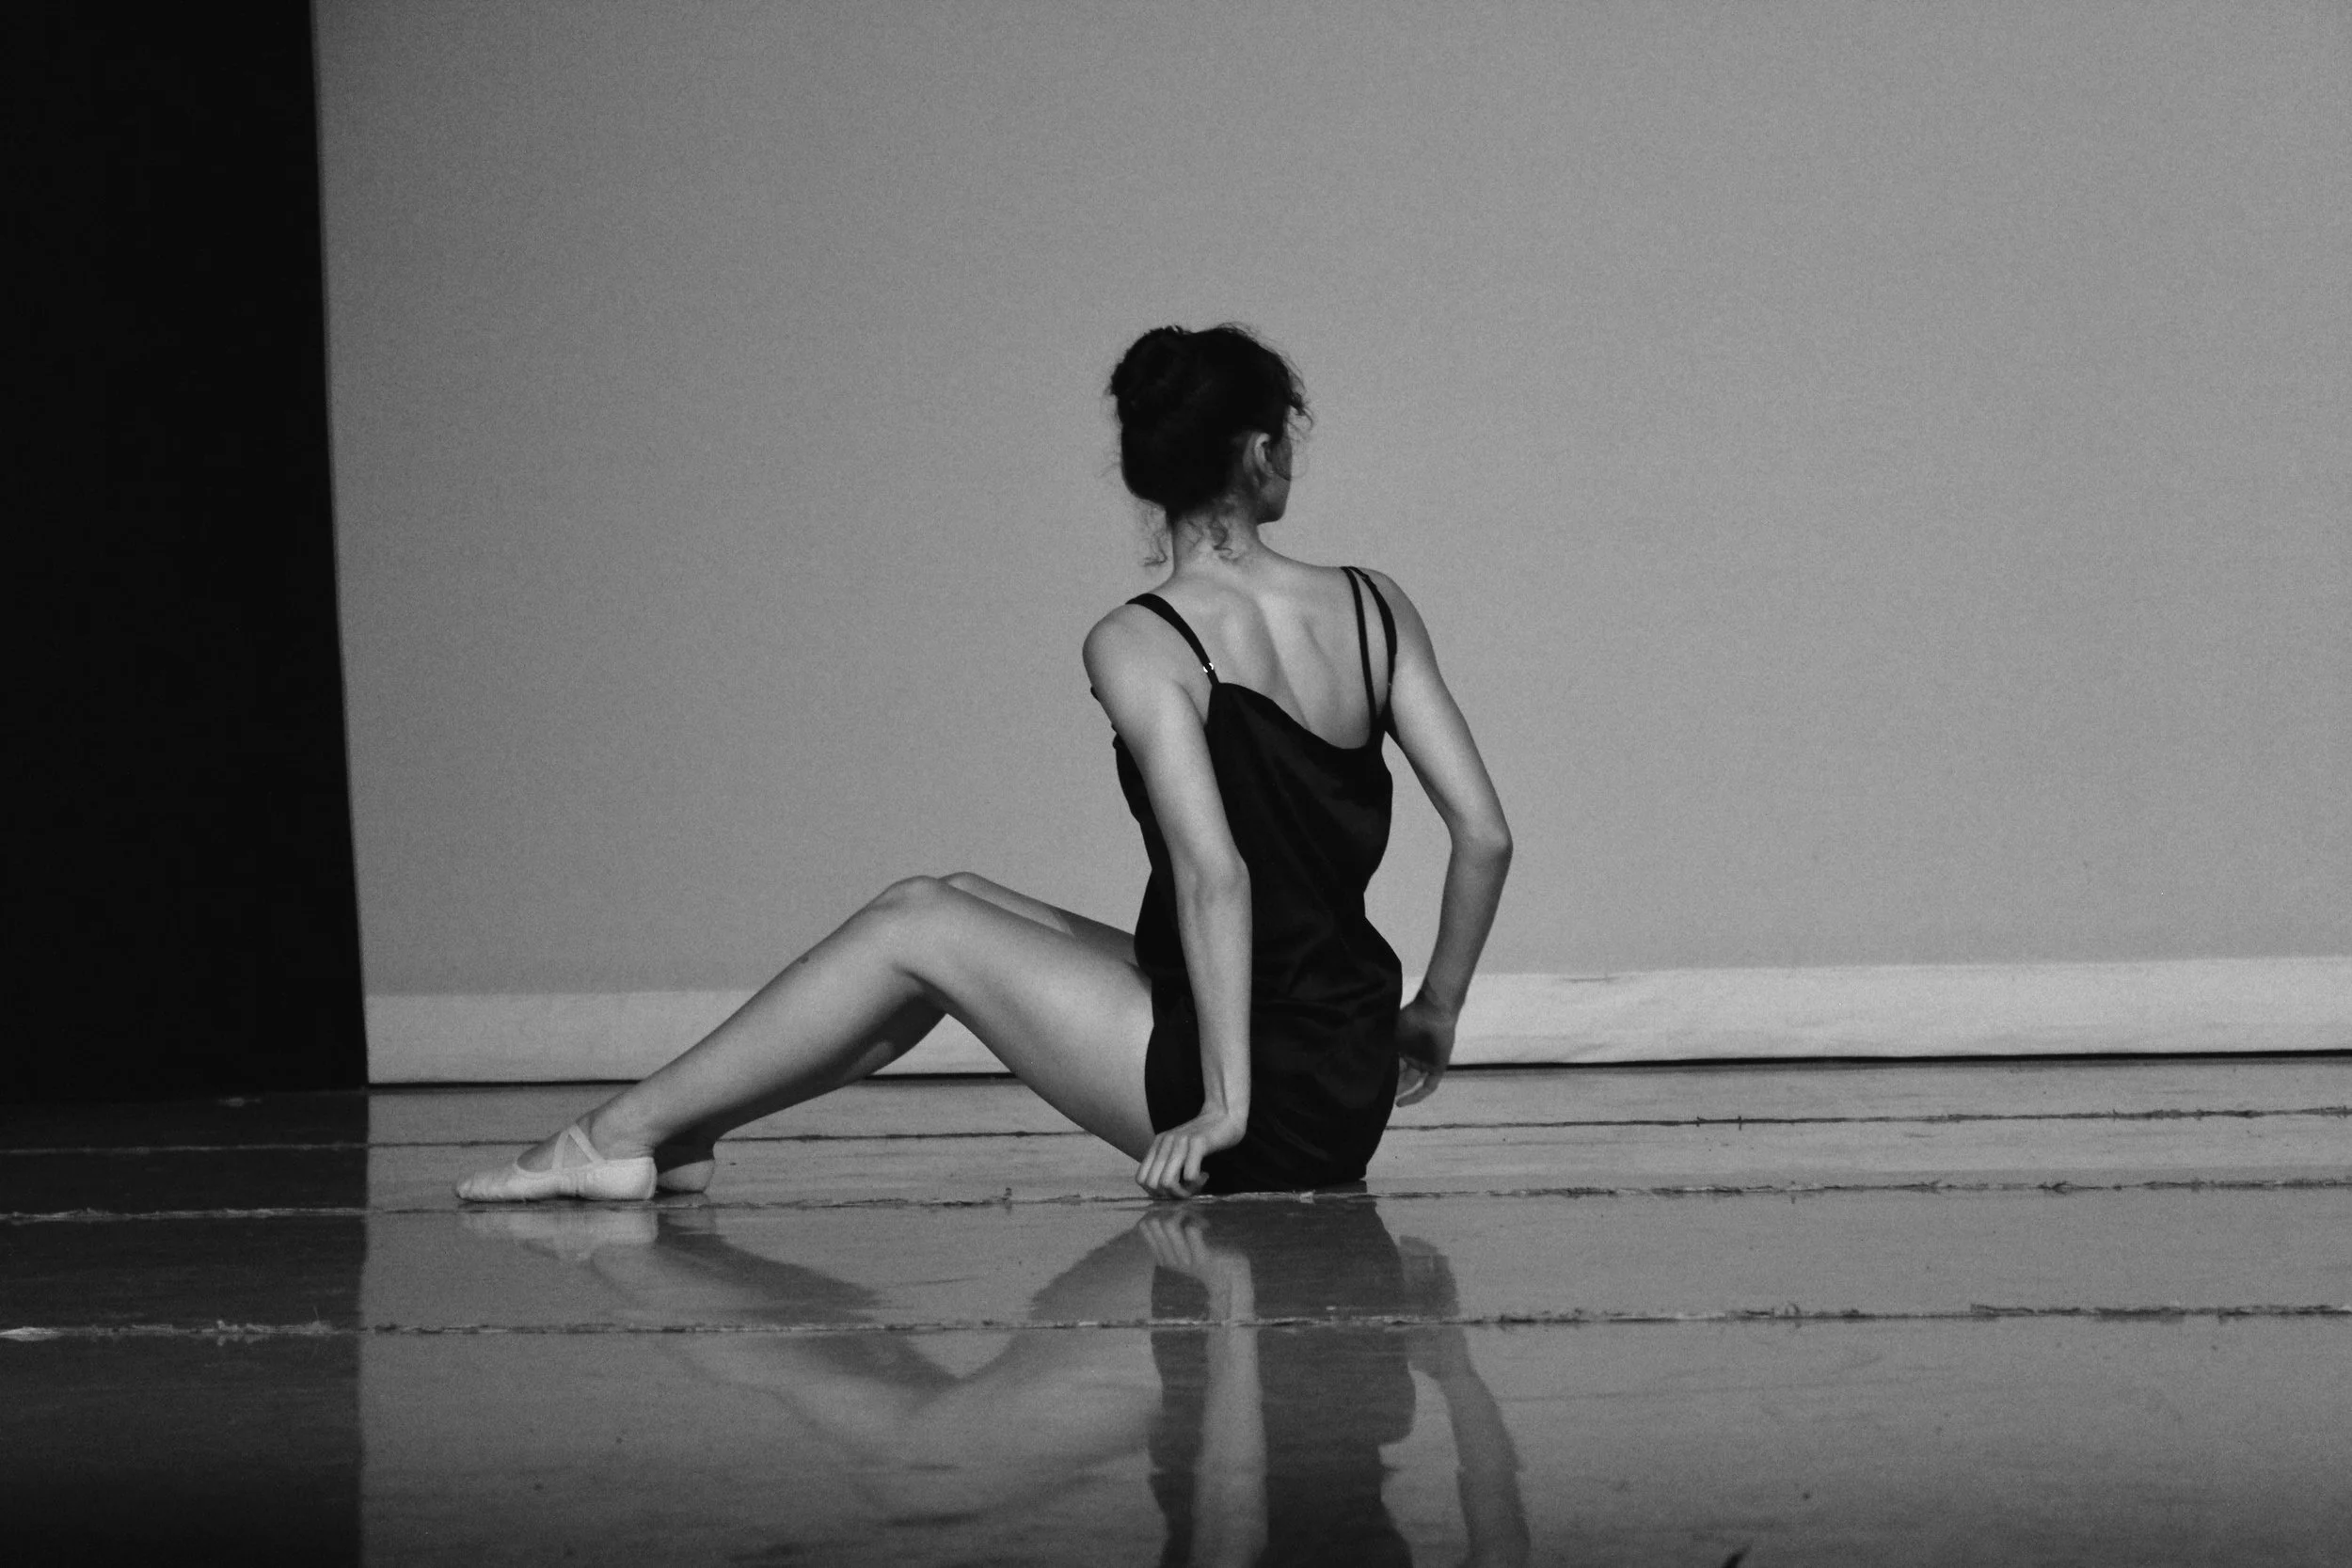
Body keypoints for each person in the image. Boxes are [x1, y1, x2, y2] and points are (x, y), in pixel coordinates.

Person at [457, 323, 1511, 1202]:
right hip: (1342, 1065)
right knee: (949, 897)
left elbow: (1214, 874)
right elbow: (1484, 834)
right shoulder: (1374, 605)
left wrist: (1224, 1106)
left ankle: (611, 1135)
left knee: (916, 926)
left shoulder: (1141, 639)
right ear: (1260, 451)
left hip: (1250, 1097)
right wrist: (1434, 1011)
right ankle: (683, 1132)